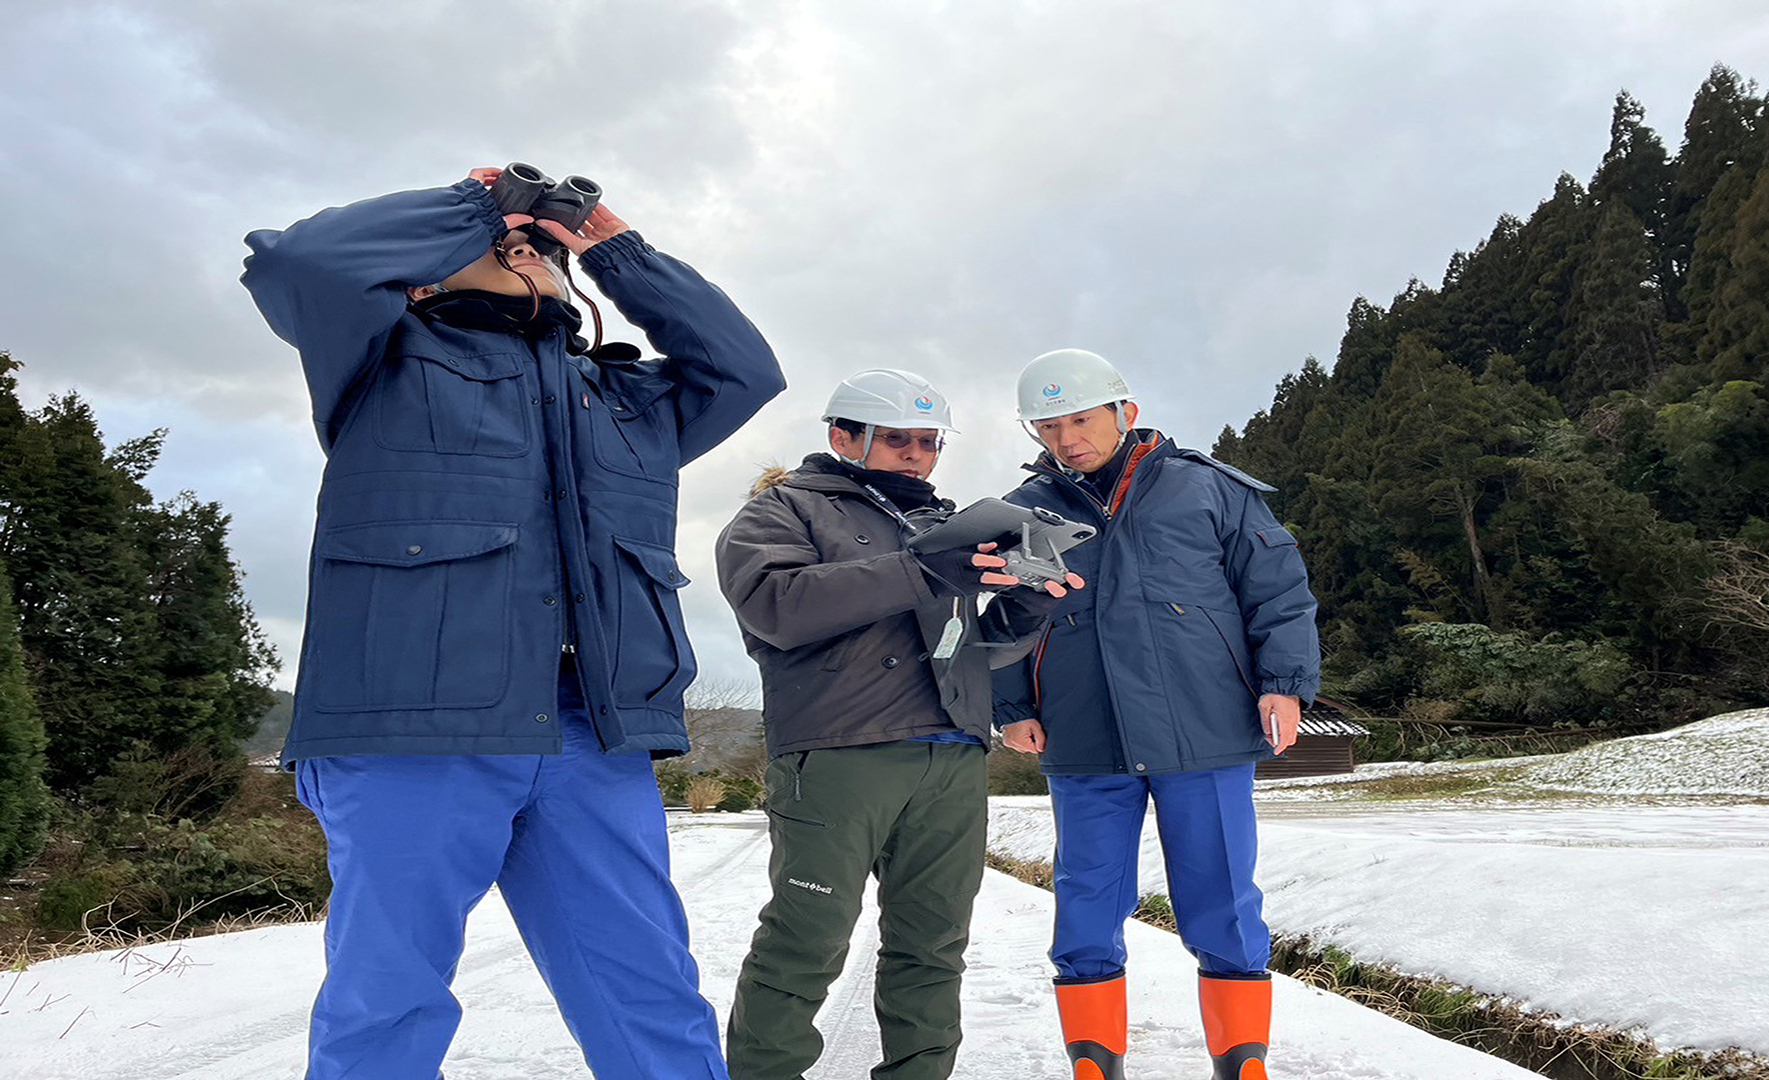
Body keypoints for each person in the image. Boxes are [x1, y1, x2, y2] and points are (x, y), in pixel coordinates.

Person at [241, 166, 784, 1079]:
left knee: (649, 991)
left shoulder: (629, 402)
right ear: (426, 276)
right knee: (388, 1001)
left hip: (591, 734)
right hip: (410, 726)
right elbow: (301, 261)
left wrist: (613, 246)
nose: (521, 247)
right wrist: (474, 204)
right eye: (499, 246)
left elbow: (745, 369)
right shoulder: (380, 357)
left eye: (535, 245)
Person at [714, 369, 1080, 1080]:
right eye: (898, 440)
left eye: (928, 442)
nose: (916, 454)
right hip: (841, 755)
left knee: (935, 943)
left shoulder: (944, 526)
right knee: (807, 938)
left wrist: (1029, 603)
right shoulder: (780, 512)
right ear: (842, 436)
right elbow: (778, 607)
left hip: (950, 757)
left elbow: (977, 646)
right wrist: (921, 569)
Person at [991, 349, 1319, 1080]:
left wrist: (1285, 683)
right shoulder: (1021, 514)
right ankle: (1093, 1061)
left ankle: (1243, 1060)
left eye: (1081, 419)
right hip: (1081, 730)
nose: (1067, 438)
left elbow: (1278, 591)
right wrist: (1010, 705)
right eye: (1049, 427)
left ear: (1124, 413)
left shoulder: (1209, 489)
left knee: (1223, 895)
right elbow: (1006, 617)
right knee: (1085, 896)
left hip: (1202, 726)